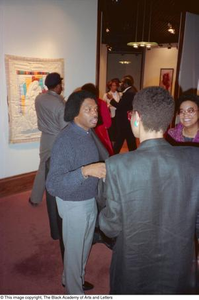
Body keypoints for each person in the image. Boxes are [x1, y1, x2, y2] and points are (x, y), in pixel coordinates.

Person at [99, 86, 199, 295]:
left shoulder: (117, 165)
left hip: (133, 267)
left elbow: (110, 226)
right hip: (178, 265)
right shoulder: (194, 158)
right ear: (170, 119)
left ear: (136, 117)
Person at [46, 90, 107, 295]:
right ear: (75, 113)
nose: (94, 113)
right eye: (88, 109)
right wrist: (86, 171)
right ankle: (74, 291)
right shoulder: (66, 140)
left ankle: (73, 279)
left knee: (83, 245)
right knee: (74, 251)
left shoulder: (86, 133)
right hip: (73, 203)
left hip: (87, 199)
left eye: (95, 108)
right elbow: (53, 184)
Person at [29, 72, 67, 206]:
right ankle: (60, 200)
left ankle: (34, 198)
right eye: (60, 84)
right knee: (62, 169)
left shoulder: (38, 98)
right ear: (57, 86)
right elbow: (65, 126)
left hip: (45, 138)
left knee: (43, 168)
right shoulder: (60, 104)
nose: (61, 86)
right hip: (58, 139)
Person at [81, 83, 114, 155]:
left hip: (84, 133)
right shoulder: (101, 103)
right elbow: (108, 123)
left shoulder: (81, 104)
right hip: (100, 134)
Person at [109, 77, 137, 154]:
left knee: (121, 139)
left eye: (121, 82)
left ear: (126, 84)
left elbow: (121, 106)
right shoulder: (131, 91)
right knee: (128, 139)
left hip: (124, 120)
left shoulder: (129, 93)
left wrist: (111, 100)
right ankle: (133, 155)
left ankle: (113, 155)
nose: (120, 84)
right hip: (126, 120)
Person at [103, 79, 122, 144]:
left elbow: (120, 105)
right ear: (110, 86)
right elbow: (104, 105)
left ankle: (116, 143)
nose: (114, 87)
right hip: (110, 114)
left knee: (117, 130)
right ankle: (111, 143)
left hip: (118, 114)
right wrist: (108, 106)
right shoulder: (106, 95)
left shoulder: (120, 94)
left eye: (116, 86)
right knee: (111, 130)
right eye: (113, 86)